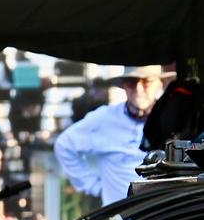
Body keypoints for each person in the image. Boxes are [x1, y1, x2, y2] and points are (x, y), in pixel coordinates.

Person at [54, 65, 172, 208]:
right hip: (118, 216)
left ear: (160, 83)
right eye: (132, 82)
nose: (139, 89)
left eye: (146, 82)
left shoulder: (171, 118)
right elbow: (64, 145)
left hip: (161, 215)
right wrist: (93, 186)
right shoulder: (104, 118)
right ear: (124, 85)